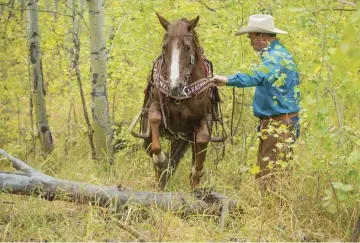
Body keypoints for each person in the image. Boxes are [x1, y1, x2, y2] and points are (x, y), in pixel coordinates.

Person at [211, 14, 301, 192]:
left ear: (262, 36)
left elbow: (256, 76)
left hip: (279, 125)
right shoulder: (278, 54)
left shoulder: (275, 58)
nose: (250, 42)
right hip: (278, 124)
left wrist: (227, 80)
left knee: (270, 179)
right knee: (270, 174)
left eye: (251, 37)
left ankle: (273, 217)